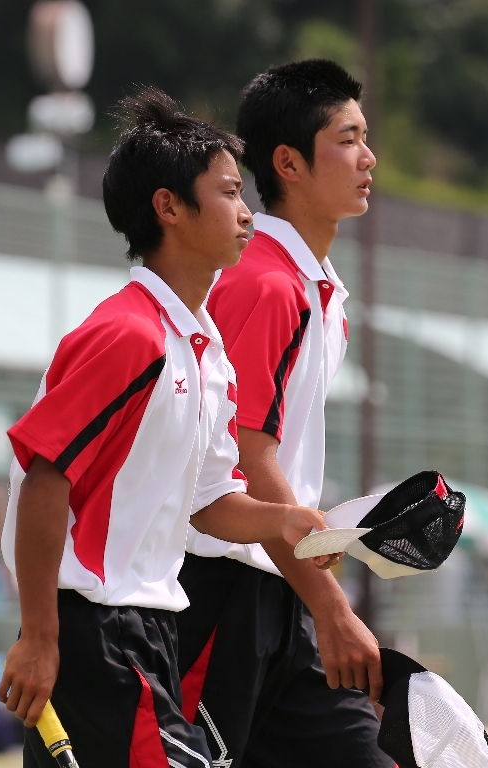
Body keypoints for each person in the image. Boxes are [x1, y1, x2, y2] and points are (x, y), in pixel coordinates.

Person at [0, 88, 334, 767]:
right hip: (97, 638)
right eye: (230, 193)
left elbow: (210, 503)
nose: (247, 214)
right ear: (169, 207)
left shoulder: (204, 351)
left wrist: (283, 523)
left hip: (151, 632)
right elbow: (44, 477)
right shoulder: (128, 336)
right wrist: (40, 636)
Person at [176, 59, 393, 767]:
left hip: (282, 591)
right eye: (348, 139)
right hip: (220, 594)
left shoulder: (317, 291)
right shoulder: (267, 284)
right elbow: (244, 455)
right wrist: (332, 604)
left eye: (365, 137)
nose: (369, 158)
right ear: (289, 163)